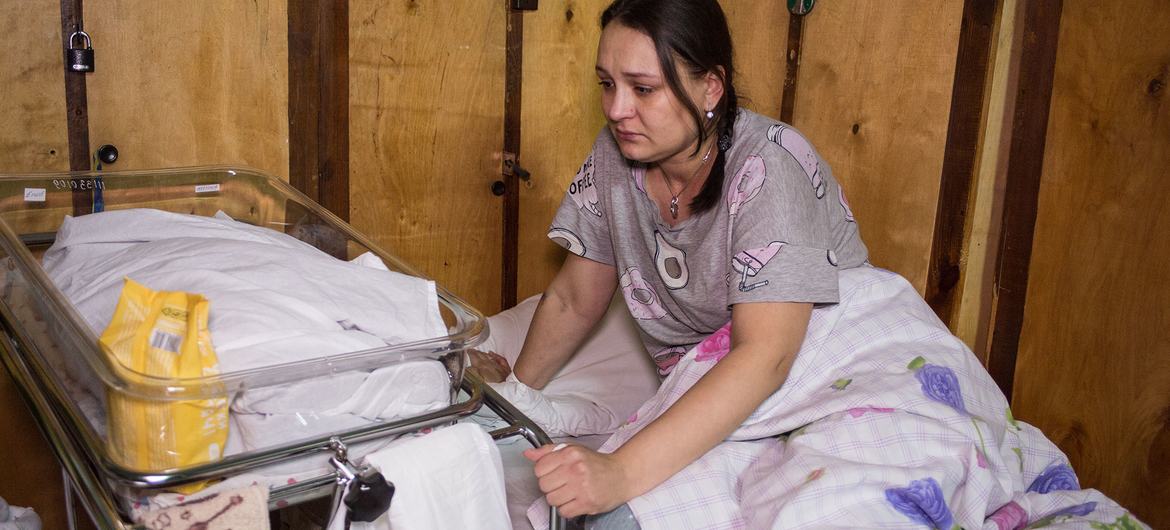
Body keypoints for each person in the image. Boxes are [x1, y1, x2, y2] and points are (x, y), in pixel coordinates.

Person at [470, 0, 867, 524]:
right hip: (713, 381)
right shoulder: (618, 155)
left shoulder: (770, 166)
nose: (616, 109)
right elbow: (572, 298)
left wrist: (619, 474)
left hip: (818, 377)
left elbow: (765, 358)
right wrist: (514, 399)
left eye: (643, 88)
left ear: (711, 88)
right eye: (606, 84)